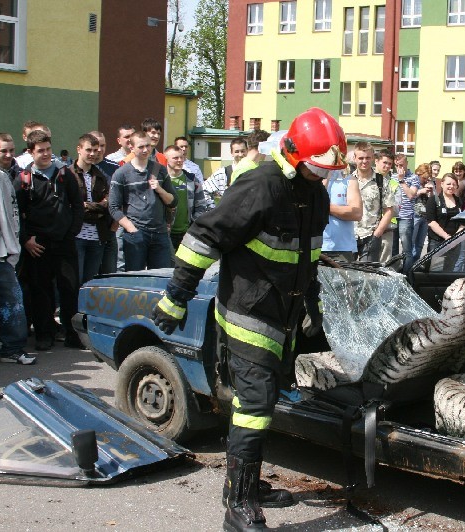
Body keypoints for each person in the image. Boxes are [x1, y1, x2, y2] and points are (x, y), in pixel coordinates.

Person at [151, 107, 345, 532]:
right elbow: (203, 237)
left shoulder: (314, 193)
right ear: (293, 154)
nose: (322, 175)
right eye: (317, 166)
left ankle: (244, 486)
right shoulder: (259, 185)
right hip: (248, 312)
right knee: (255, 405)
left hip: (283, 316)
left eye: (327, 169)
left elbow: (306, 256)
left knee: (263, 403)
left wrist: (315, 308)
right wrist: (176, 296)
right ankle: (239, 506)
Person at [14, 130, 85, 351]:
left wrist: (71, 233)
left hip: (64, 242)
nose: (45, 154)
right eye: (40, 151)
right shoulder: (24, 179)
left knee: (69, 290)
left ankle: (72, 334)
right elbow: (16, 214)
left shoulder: (65, 175)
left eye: (48, 149)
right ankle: (44, 334)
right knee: (41, 292)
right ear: (30, 152)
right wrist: (26, 240)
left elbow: (78, 205)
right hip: (37, 246)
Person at [108, 131, 177, 271]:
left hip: (160, 233)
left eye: (148, 146)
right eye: (141, 147)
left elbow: (173, 201)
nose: (146, 150)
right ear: (131, 147)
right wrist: (131, 229)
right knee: (135, 277)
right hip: (136, 233)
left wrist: (160, 190)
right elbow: (114, 207)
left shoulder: (160, 169)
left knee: (160, 277)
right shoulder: (121, 173)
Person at [0, 165, 35, 364]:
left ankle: (11, 349)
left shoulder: (1, 178)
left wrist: (12, 249)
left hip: (2, 255)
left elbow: (11, 215)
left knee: (12, 301)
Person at [72, 134, 113, 285]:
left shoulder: (100, 176)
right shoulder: (68, 174)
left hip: (97, 236)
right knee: (74, 280)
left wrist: (86, 205)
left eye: (95, 150)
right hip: (76, 235)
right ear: (79, 149)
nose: (93, 154)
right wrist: (93, 207)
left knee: (90, 283)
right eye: (89, 150)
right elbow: (71, 205)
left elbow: (108, 204)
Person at [162, 144, 212, 251]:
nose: (180, 160)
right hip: (165, 233)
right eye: (175, 158)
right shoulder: (161, 181)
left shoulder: (192, 180)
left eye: (182, 157)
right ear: (166, 159)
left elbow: (201, 205)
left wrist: (193, 224)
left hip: (187, 234)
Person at [88, 130, 121, 275]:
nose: (100, 150)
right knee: (90, 274)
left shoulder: (114, 168)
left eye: (103, 145)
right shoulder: (83, 168)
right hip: (88, 228)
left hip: (109, 228)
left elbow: (122, 197)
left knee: (109, 273)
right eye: (96, 146)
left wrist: (116, 223)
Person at [354, 142, 394, 262]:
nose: (364, 161)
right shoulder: (347, 180)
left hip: (370, 236)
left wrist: (378, 233)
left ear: (373, 158)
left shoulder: (381, 181)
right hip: (348, 236)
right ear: (355, 158)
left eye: (368, 158)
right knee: (346, 271)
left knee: (367, 272)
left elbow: (389, 210)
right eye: (361, 158)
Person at [322, 167, 362, 263]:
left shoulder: (349, 179)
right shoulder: (310, 177)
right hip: (314, 246)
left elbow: (356, 213)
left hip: (342, 249)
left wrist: (323, 207)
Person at [425, 173, 463, 270]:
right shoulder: (433, 200)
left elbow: (463, 222)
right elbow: (431, 222)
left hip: (454, 243)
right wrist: (446, 237)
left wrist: (455, 238)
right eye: (448, 184)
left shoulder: (459, 201)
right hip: (437, 241)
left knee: (449, 270)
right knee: (436, 270)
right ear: (442, 184)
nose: (451, 186)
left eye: (454, 184)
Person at [394, 155, 421, 274]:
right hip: (393, 216)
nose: (399, 168)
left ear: (406, 163)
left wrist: (401, 180)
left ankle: (406, 275)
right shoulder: (392, 176)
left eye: (401, 165)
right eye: (396, 165)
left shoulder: (413, 178)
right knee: (393, 249)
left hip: (406, 217)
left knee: (406, 250)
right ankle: (394, 274)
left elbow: (411, 195)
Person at [204, 136, 248, 201]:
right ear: (231, 153)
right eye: (237, 151)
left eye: (243, 151)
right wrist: (211, 206)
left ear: (247, 151)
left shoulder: (254, 171)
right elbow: (204, 190)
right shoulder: (223, 173)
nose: (240, 154)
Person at [375, 150, 398, 261]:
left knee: (383, 262)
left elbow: (397, 209)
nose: (387, 166)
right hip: (366, 229)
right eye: (385, 162)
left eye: (390, 164)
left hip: (387, 229)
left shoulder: (393, 183)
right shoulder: (366, 179)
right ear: (376, 161)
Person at [411, 163, 433, 265]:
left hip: (425, 217)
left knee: (419, 245)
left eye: (427, 178)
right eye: (424, 178)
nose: (425, 180)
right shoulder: (413, 182)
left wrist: (431, 193)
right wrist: (420, 191)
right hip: (414, 215)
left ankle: (415, 265)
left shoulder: (429, 183)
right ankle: (407, 266)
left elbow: (434, 200)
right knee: (411, 243)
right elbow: (408, 197)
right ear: (418, 174)